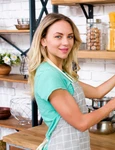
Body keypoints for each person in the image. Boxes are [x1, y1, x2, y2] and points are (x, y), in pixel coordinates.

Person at [27, 13, 115, 150]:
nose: (66, 42)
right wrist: (111, 105)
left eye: (70, 36)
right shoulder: (49, 75)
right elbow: (81, 123)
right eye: (58, 36)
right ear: (43, 40)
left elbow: (97, 92)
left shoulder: (60, 73)